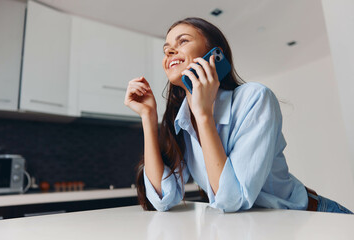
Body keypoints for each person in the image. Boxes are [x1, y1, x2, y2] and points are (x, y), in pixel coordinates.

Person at [124, 17, 353, 214]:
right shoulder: (182, 118)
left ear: (215, 55)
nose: (170, 52)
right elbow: (163, 198)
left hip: (310, 217)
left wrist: (203, 115)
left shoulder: (254, 98)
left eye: (183, 41)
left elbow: (233, 201)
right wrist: (148, 117)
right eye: (166, 49)